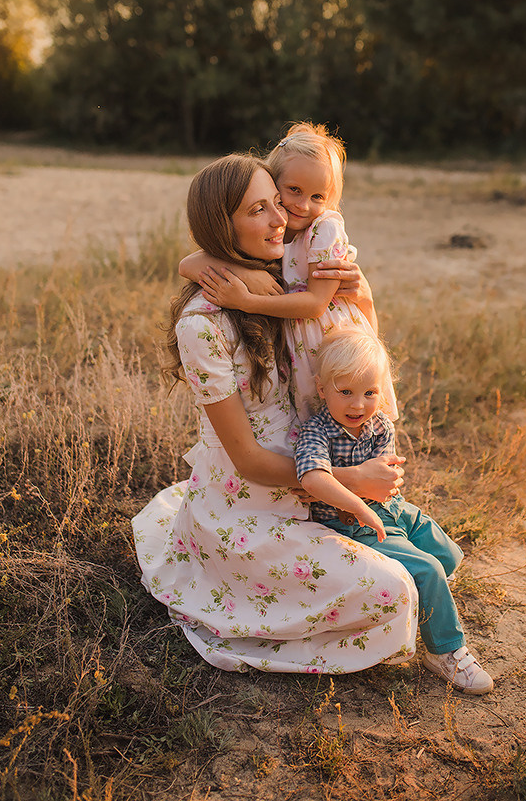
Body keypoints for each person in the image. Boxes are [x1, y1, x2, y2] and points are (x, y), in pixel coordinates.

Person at [132, 154, 419, 673]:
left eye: (276, 204)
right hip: (254, 505)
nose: (281, 219)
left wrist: (364, 294)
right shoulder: (203, 324)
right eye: (257, 210)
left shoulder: (284, 279)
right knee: (394, 588)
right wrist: (351, 480)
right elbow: (248, 461)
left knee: (421, 560)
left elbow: (353, 351)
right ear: (224, 225)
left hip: (313, 476)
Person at [294, 327, 494, 695]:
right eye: (346, 392)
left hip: (392, 510)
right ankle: (446, 651)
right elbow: (313, 479)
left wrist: (388, 482)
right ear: (323, 390)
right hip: (353, 523)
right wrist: (358, 506)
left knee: (449, 555)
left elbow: (386, 473)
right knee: (429, 569)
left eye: (370, 393)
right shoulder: (315, 432)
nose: (358, 405)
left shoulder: (380, 424)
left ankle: (427, 597)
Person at [181, 122, 398, 422]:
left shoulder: (324, 229)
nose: (302, 205)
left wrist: (247, 301)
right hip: (306, 347)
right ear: (273, 183)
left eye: (318, 197)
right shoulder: (277, 230)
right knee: (321, 430)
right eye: (293, 190)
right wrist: (246, 274)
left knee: (359, 421)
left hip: (337, 346)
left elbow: (316, 304)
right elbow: (187, 264)